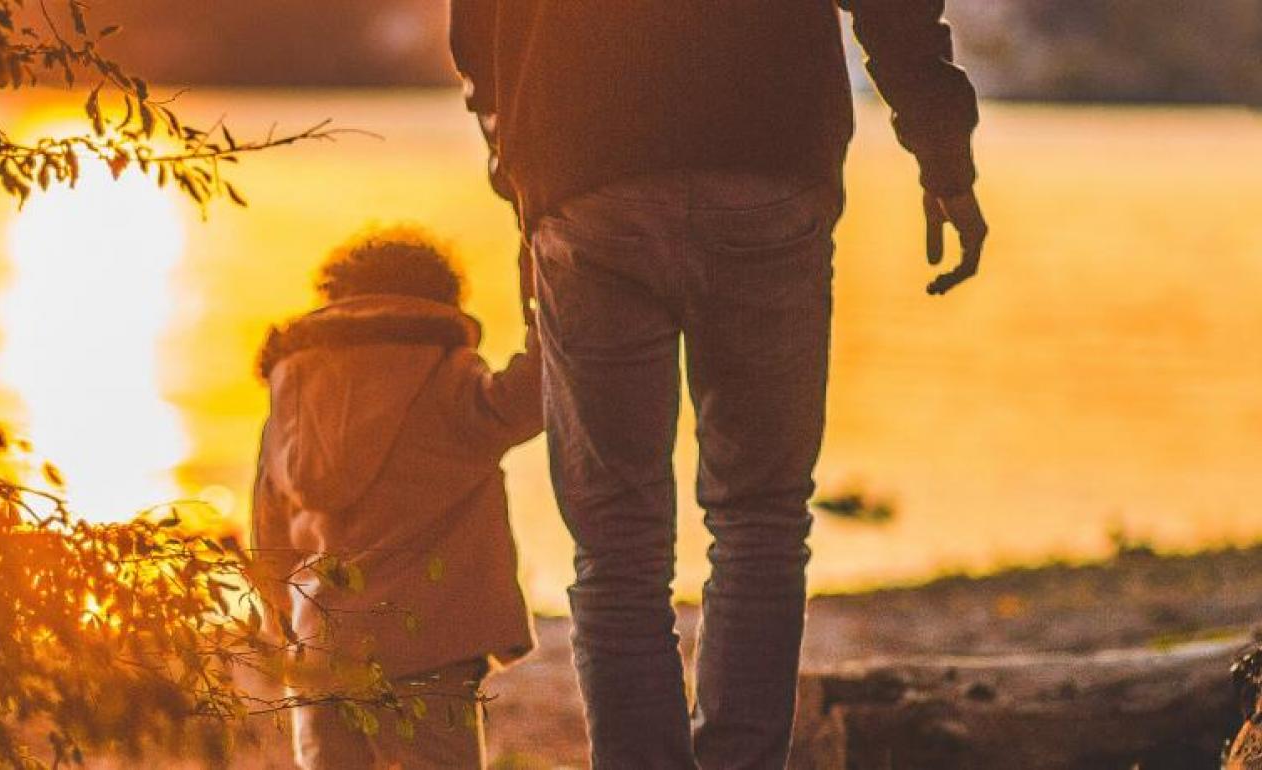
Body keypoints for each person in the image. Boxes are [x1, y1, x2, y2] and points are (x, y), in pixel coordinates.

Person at [448, 1, 991, 768]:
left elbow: (477, 34)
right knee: (761, 520)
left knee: (616, 544)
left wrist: (524, 173)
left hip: (586, 177)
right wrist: (943, 157)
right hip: (764, 162)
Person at [249, 227, 544, 769]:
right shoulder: (447, 379)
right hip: (429, 646)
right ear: (439, 301)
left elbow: (269, 532)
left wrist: (283, 631)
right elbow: (539, 389)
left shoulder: (293, 392)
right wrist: (544, 288)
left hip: (322, 650)